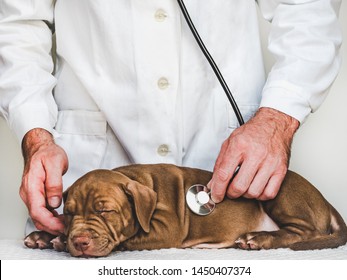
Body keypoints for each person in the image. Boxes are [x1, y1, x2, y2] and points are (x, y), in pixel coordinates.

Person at [0, 0, 342, 236]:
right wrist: (36, 136)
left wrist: (277, 119)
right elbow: (17, 24)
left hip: (225, 180)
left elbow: (307, 9)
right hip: (87, 180)